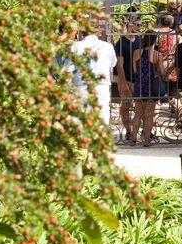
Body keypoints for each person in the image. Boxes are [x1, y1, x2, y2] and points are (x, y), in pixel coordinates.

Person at [71, 15, 117, 125]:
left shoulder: (76, 46)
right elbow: (113, 64)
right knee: (102, 117)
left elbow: (69, 68)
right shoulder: (108, 46)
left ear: (82, 31)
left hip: (81, 85)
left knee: (81, 119)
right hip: (101, 85)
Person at [129, 32, 167, 147]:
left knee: (137, 114)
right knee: (149, 114)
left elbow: (135, 71)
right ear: (155, 40)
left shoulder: (136, 53)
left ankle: (133, 139)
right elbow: (162, 73)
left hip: (139, 86)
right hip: (151, 87)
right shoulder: (157, 55)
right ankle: (146, 139)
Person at [114, 13, 141, 143]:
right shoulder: (121, 42)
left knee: (139, 106)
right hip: (126, 79)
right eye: (137, 24)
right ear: (129, 25)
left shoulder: (140, 40)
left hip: (139, 79)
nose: (140, 27)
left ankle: (136, 131)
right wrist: (124, 83)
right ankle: (128, 131)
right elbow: (119, 65)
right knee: (125, 105)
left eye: (141, 25)